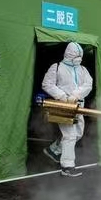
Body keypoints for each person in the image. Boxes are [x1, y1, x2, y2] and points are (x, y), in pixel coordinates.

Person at [42, 42, 93, 177]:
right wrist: (63, 96)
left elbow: (88, 84)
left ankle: (53, 150)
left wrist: (76, 95)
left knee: (78, 133)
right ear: (69, 54)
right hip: (63, 106)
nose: (79, 58)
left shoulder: (83, 69)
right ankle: (67, 167)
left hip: (78, 106)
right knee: (69, 135)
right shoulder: (57, 67)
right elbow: (47, 84)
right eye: (76, 55)